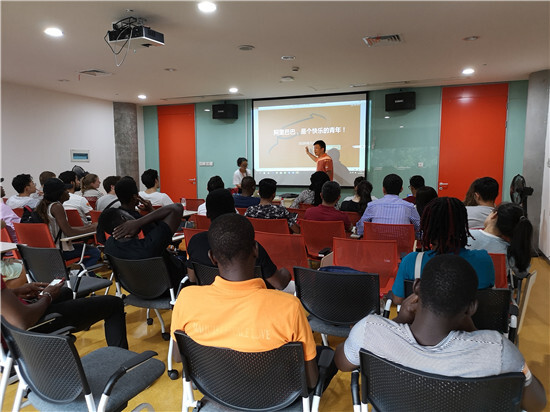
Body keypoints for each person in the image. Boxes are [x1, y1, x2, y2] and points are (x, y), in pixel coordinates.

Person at [334, 254, 546, 412]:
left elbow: (342, 362)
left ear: (417, 287)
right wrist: (474, 332)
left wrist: (398, 321)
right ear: (472, 307)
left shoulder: (370, 331)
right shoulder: (497, 351)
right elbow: (537, 403)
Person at [172, 213, 335, 391]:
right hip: (275, 397)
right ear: (256, 250)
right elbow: (311, 381)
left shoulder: (186, 299)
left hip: (216, 391)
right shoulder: (289, 307)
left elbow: (178, 357)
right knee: (326, 354)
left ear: (212, 257)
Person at [391, 197, 494, 304]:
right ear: (463, 224)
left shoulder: (412, 261)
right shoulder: (483, 260)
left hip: (425, 315)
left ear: (427, 226)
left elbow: (398, 300)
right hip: (470, 315)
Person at [186, 188, 291, 290]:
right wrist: (287, 272)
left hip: (211, 299)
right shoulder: (249, 245)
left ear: (207, 214)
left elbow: (192, 278)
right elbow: (279, 284)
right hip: (252, 300)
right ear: (234, 210)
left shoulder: (196, 241)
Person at [1, 278, 129, 349]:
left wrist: (15, 292)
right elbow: (22, 321)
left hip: (13, 318)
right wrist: (47, 296)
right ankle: (123, 362)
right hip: (22, 332)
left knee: (65, 291)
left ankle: (71, 329)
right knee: (114, 303)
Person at [100, 203, 186, 292]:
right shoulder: (150, 244)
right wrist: (138, 223)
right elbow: (177, 208)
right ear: (124, 218)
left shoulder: (110, 246)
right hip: (174, 288)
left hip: (136, 291)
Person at [35, 178, 101, 267]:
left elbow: (66, 228)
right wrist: (91, 229)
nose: (68, 192)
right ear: (59, 193)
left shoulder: (44, 205)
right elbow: (69, 232)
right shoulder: (56, 207)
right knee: (94, 252)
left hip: (47, 250)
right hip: (59, 251)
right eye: (65, 190)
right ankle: (82, 275)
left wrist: (89, 227)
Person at [467, 202, 533, 273]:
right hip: (494, 280)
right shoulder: (511, 251)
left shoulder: (466, 236)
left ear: (494, 215)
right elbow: (522, 273)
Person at [356, 174, 420, 236]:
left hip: (377, 243)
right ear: (401, 189)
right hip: (401, 243)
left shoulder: (372, 206)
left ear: (383, 189)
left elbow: (361, 229)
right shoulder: (409, 207)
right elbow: (419, 228)